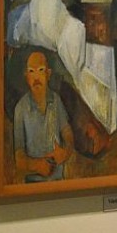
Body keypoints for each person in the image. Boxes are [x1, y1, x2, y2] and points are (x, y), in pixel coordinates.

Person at [12, 51, 75, 182]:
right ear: (26, 77)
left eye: (41, 70)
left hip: (59, 181)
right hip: (33, 184)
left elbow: (68, 134)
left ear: (48, 74)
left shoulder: (56, 101)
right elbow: (19, 158)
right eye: (31, 71)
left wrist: (65, 152)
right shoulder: (20, 109)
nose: (36, 77)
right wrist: (37, 165)